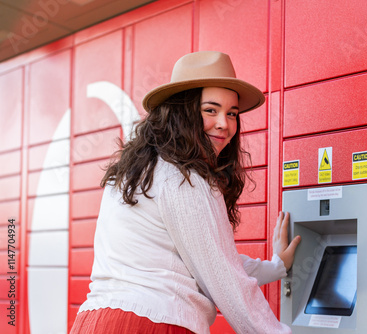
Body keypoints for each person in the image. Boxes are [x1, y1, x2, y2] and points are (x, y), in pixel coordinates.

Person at [70, 51, 301, 334]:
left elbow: (208, 255)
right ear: (182, 111)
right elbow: (224, 280)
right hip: (153, 324)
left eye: (232, 113)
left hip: (94, 322)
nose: (224, 124)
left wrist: (276, 267)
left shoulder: (134, 172)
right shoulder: (184, 177)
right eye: (210, 110)